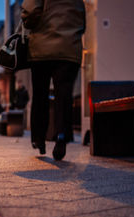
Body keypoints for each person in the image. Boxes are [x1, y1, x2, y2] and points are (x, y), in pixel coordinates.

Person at [21, 0, 86, 160]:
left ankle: (39, 138)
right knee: (64, 95)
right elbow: (82, 21)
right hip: (69, 49)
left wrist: (30, 22)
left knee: (40, 94)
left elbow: (30, 12)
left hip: (42, 50)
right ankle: (61, 135)